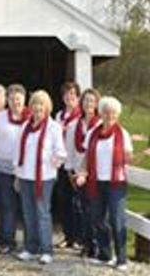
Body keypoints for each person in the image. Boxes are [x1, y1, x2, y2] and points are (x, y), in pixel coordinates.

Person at [76, 96, 133, 272]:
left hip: (116, 183)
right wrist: (82, 172)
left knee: (117, 221)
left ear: (117, 115)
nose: (110, 116)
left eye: (113, 113)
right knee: (98, 219)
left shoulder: (122, 134)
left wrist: (143, 154)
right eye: (107, 112)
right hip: (96, 182)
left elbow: (128, 158)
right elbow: (86, 157)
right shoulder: (93, 133)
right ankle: (106, 254)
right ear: (101, 113)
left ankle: (121, 258)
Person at [16, 90, 66, 265]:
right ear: (31, 107)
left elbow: (60, 152)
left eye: (41, 105)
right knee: (28, 213)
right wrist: (17, 175)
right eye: (35, 104)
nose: (38, 108)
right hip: (25, 176)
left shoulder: (54, 127)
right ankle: (31, 248)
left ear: (47, 108)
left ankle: (47, 250)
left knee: (42, 213)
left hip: (44, 178)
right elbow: (18, 152)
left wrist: (53, 161)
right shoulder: (25, 127)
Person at [0, 84, 31, 254]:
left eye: (19, 99)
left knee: (27, 206)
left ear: (24, 100)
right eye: (12, 99)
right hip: (4, 169)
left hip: (26, 170)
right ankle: (7, 241)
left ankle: (30, 242)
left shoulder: (32, 117)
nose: (15, 102)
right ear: (7, 100)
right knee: (8, 206)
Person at [64, 88, 101, 257]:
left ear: (97, 104)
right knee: (83, 209)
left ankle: (98, 244)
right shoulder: (73, 126)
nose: (89, 104)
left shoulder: (100, 124)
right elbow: (70, 150)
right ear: (82, 103)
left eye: (92, 101)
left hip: (96, 174)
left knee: (97, 211)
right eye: (86, 100)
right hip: (78, 173)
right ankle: (87, 244)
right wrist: (71, 171)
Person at [55, 81, 81, 249]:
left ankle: (79, 237)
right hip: (62, 165)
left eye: (72, 94)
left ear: (77, 97)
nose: (69, 97)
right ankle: (68, 236)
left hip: (77, 164)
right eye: (66, 94)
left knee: (77, 203)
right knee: (63, 201)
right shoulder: (59, 116)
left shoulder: (81, 116)